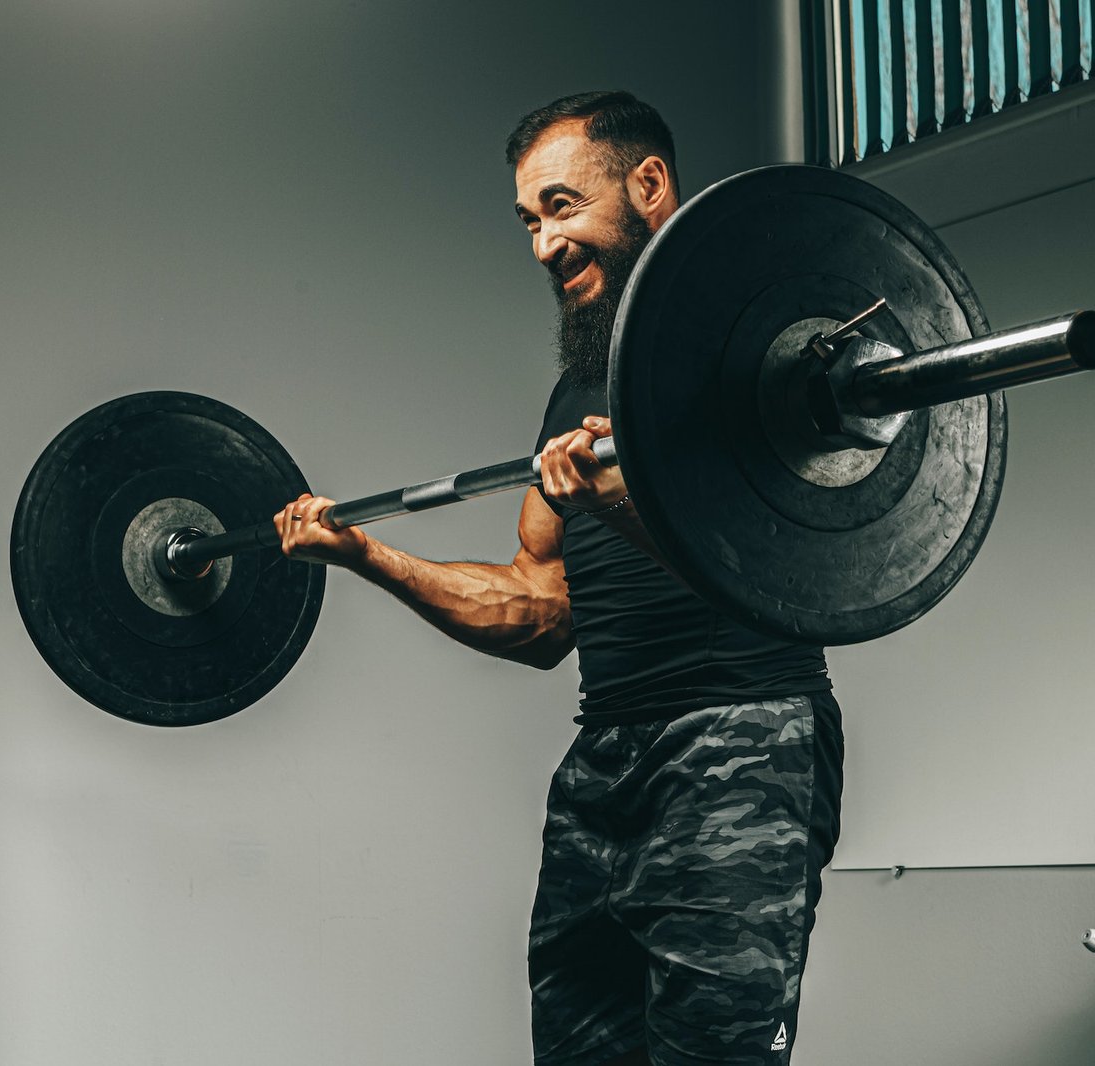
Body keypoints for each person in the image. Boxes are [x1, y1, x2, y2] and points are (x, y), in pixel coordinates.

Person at [274, 91, 843, 1066]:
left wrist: (621, 498)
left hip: (739, 743)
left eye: (563, 207)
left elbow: (764, 569)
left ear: (647, 185)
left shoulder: (757, 348)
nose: (544, 244)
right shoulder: (578, 391)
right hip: (605, 760)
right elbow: (539, 607)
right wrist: (368, 557)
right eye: (530, 221)